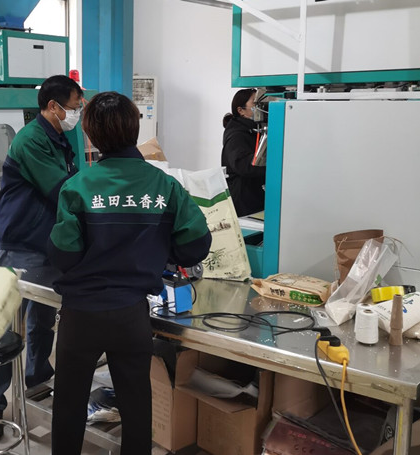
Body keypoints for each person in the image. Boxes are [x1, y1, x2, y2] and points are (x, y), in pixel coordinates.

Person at [47, 91, 212, 455]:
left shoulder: (77, 187)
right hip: (131, 315)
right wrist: (160, 250)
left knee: (69, 405)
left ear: (91, 134)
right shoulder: (165, 186)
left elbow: (64, 256)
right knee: (137, 407)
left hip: (81, 315)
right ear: (135, 129)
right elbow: (196, 246)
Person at [0, 74, 84, 440]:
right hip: (23, 245)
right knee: (5, 327)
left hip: (50, 244)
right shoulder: (31, 140)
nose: (77, 113)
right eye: (74, 107)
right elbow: (62, 189)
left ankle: (38, 383)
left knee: (42, 321)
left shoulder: (59, 138)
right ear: (53, 106)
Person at [221, 88, 266, 217]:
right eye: (255, 103)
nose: (260, 107)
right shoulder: (237, 134)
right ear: (241, 110)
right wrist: (273, 164)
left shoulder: (254, 129)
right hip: (244, 200)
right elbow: (242, 165)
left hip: (255, 196)